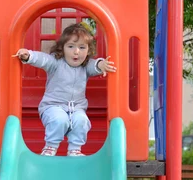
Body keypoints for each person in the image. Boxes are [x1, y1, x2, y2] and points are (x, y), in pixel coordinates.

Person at [14, 23, 116, 156]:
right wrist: (29, 56)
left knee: (82, 121)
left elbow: (95, 65)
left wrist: (102, 64)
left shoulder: (85, 66)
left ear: (88, 51)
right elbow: (43, 59)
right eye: (71, 46)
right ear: (62, 49)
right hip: (52, 107)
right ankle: (50, 147)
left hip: (76, 109)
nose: (76, 51)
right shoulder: (55, 63)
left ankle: (75, 149)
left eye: (82, 47)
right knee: (59, 120)